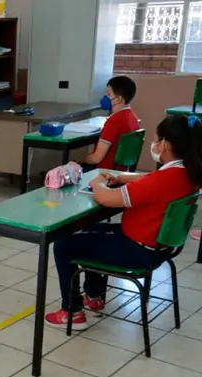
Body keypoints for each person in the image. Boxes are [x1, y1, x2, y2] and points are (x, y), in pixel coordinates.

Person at [46, 114, 202, 329]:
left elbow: (105, 198)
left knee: (64, 245)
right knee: (87, 231)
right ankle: (93, 296)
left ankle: (72, 312)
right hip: (160, 248)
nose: (153, 144)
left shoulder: (160, 181)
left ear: (165, 144)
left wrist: (98, 183)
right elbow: (148, 179)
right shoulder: (188, 175)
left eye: (156, 139)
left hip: (136, 250)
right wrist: (120, 177)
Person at [78, 75, 139, 171]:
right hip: (121, 170)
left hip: (104, 171)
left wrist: (80, 160)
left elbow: (96, 158)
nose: (106, 97)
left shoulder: (113, 121)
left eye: (109, 94)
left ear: (118, 99)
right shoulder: (133, 118)